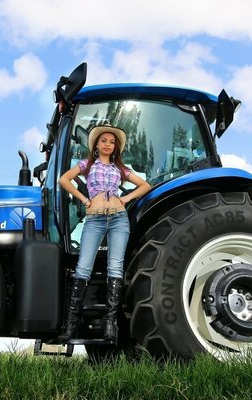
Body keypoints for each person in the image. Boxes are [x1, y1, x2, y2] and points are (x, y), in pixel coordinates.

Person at [58, 124, 151, 341]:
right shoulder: (87, 165)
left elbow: (145, 185)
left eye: (112, 142)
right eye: (104, 141)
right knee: (83, 267)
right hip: (95, 219)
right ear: (96, 145)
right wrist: (84, 199)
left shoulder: (121, 169)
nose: (108, 144)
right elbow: (64, 180)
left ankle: (111, 325)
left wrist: (126, 199)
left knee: (115, 265)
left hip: (119, 219)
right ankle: (71, 326)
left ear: (115, 147)